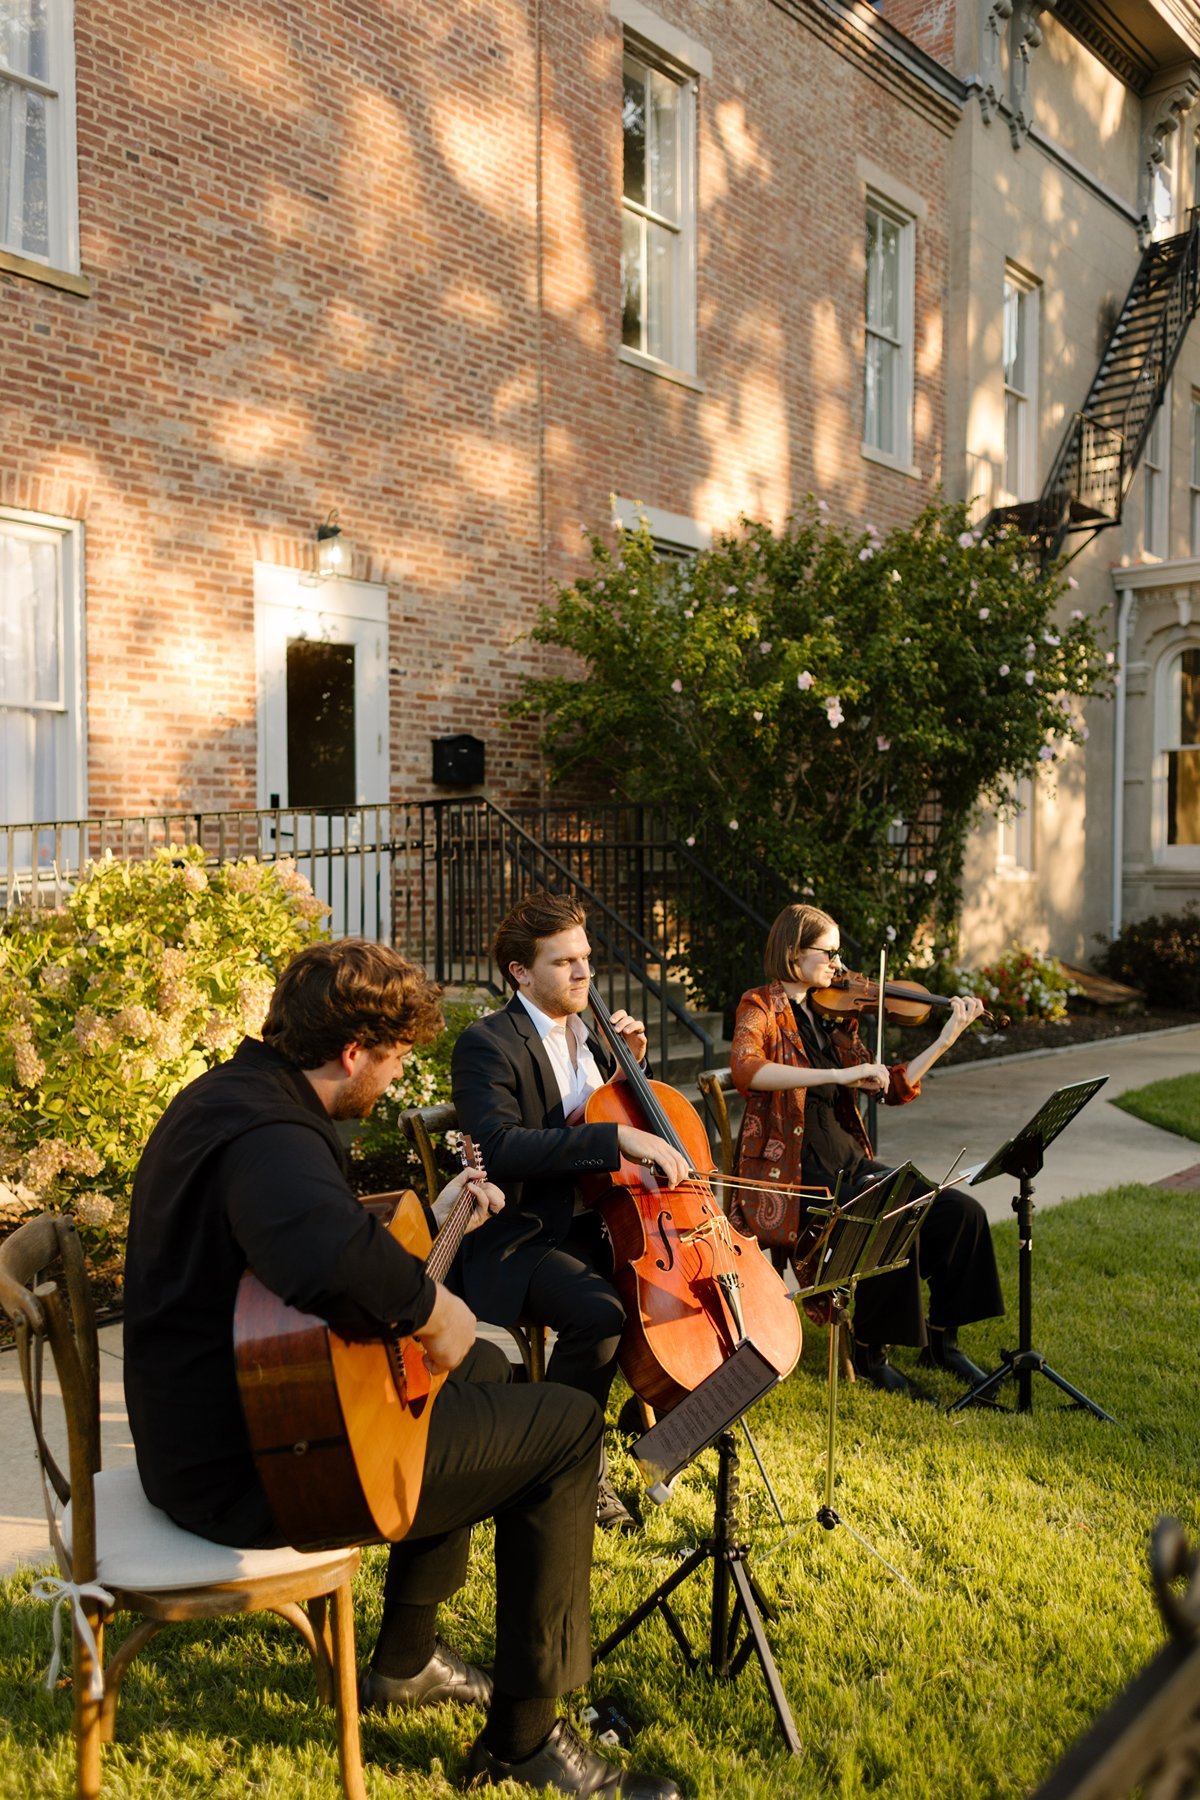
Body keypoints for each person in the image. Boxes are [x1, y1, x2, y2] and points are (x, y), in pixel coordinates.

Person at [123, 937, 678, 1799]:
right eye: (388, 1064)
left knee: (486, 1384)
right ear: (352, 1053)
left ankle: (407, 1659)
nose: (387, 1086)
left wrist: (437, 1214)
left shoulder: (235, 1096)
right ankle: (527, 1745)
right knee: (567, 1430)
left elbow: (293, 1242)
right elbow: (323, 1257)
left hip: (227, 1425)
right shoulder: (271, 1135)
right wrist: (435, 1310)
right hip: (252, 1466)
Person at [450, 892, 690, 1529]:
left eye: (586, 958)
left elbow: (602, 1114)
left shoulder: (595, 1035)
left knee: (678, 1300)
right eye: (564, 963)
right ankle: (567, 1461)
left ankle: (662, 1438)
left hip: (604, 1222)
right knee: (601, 1314)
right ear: (520, 973)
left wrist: (625, 1074)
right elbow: (500, 1148)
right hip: (525, 1233)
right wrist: (618, 1139)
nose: (585, 973)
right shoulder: (488, 1043)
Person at [729, 903, 1004, 1397]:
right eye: (828, 953)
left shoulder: (831, 1017)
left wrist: (946, 1038)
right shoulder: (760, 1006)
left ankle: (944, 1341)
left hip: (848, 1162)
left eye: (839, 954)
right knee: (891, 1208)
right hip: (795, 1172)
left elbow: (891, 1088)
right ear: (793, 952)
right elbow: (747, 1071)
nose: (839, 966)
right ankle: (871, 1351)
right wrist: (838, 1075)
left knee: (959, 1211)